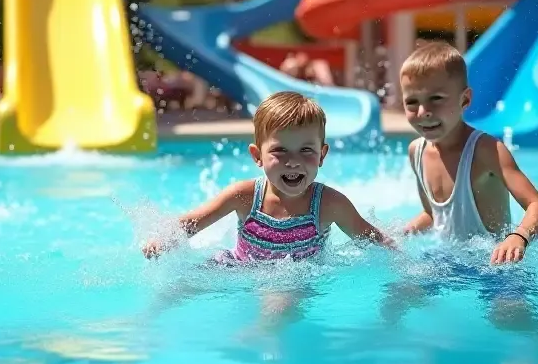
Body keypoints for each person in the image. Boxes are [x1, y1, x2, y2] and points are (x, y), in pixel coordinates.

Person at [142, 90, 395, 261]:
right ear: (257, 155)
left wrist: (401, 262)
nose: (293, 161)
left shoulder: (329, 204)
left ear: (322, 155)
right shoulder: (244, 196)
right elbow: (192, 221)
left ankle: (259, 337)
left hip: (297, 283)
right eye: (280, 150)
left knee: (282, 297)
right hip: (238, 267)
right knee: (179, 289)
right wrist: (163, 239)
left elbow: (372, 238)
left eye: (306, 150)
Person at [399, 41, 538, 263]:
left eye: (436, 99)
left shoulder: (487, 150)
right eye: (412, 102)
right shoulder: (417, 151)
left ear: (465, 99)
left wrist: (518, 237)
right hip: (446, 260)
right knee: (400, 294)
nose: (423, 112)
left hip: (494, 262)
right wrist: (404, 233)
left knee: (509, 300)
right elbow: (433, 215)